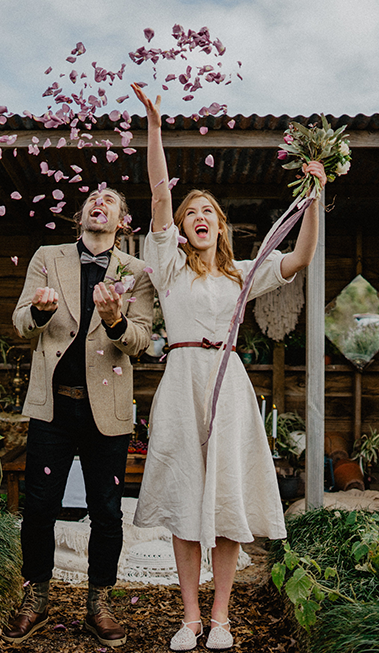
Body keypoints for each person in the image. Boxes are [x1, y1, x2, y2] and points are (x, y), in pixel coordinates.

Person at [130, 84, 326, 651]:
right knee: (187, 499)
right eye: (190, 213)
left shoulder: (243, 272)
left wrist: (313, 199)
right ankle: (189, 618)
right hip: (182, 379)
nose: (196, 217)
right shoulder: (166, 268)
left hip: (228, 382)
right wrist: (156, 129)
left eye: (205, 213)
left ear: (219, 224)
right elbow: (158, 197)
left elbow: (301, 256)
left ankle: (221, 617)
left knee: (223, 500)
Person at [6, 187, 154, 648]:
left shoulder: (136, 271)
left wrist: (115, 322)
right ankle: (37, 598)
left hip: (106, 410)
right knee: (40, 508)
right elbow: (19, 321)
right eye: (93, 197)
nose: (100, 203)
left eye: (111, 200)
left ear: (122, 220)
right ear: (80, 215)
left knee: (106, 512)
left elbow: (143, 339)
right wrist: (39, 310)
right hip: (53, 406)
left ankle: (99, 603)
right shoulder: (47, 256)